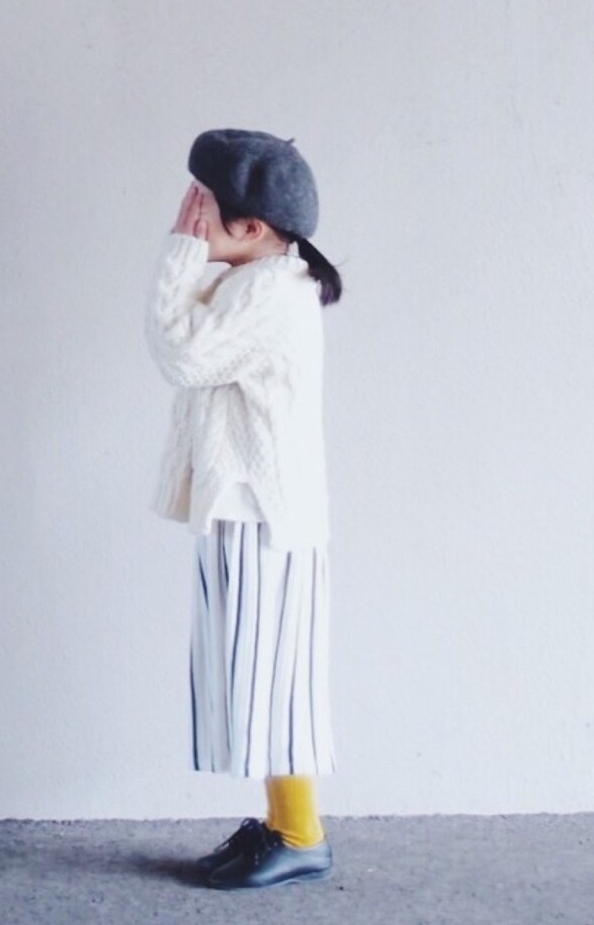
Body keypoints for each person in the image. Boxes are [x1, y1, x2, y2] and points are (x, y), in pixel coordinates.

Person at [143, 128, 344, 891]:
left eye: (202, 204)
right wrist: (191, 256)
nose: (189, 214)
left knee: (274, 681)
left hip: (265, 516)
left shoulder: (269, 292)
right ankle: (285, 825)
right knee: (260, 677)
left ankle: (300, 835)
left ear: (252, 227)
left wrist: (178, 251)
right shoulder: (255, 280)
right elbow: (189, 337)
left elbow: (180, 352)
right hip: (251, 511)